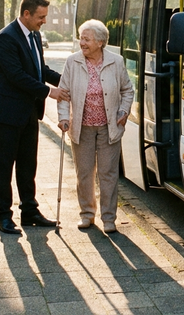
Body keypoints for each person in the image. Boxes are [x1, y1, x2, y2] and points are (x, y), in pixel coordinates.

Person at [0, 0, 70, 235]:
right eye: (41, 17)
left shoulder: (34, 35)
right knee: (5, 165)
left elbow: (39, 69)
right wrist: (50, 92)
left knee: (27, 164)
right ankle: (3, 217)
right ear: (26, 14)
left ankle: (29, 212)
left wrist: (66, 81)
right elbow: (17, 76)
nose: (44, 21)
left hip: (29, 111)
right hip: (8, 113)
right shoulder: (6, 38)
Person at [57, 19, 134, 234]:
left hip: (110, 126)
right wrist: (64, 118)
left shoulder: (116, 62)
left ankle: (109, 218)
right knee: (84, 174)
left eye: (86, 39)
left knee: (108, 174)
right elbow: (63, 94)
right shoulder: (73, 62)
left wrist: (124, 111)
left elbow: (128, 90)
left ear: (100, 42)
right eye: (81, 38)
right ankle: (87, 215)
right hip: (82, 127)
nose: (82, 42)